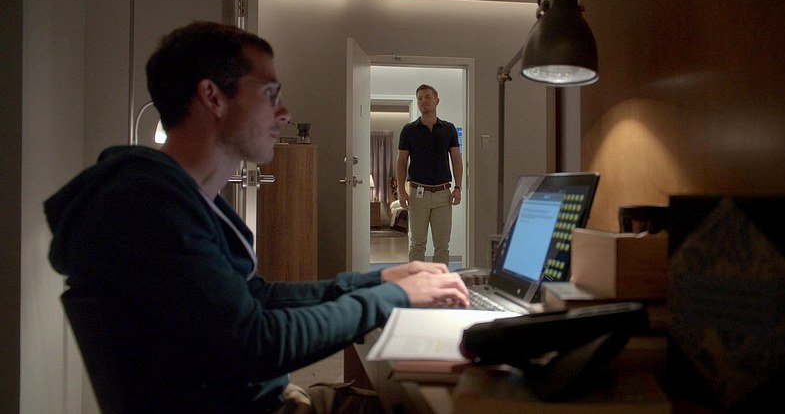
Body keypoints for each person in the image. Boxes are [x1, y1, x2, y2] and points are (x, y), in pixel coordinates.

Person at [44, 21, 469, 414]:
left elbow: (255, 297)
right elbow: (257, 342)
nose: (284, 113)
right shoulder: (145, 209)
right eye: (270, 93)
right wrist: (393, 298)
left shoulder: (178, 197)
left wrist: (378, 281)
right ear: (213, 97)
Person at [396, 84, 464, 265]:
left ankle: (439, 280)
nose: (423, 101)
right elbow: (401, 162)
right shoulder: (409, 130)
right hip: (418, 193)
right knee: (417, 244)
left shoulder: (448, 129)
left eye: (427, 97)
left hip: (443, 194)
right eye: (420, 98)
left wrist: (458, 188)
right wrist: (401, 191)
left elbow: (456, 159)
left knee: (442, 245)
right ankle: (417, 279)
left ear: (437, 100)